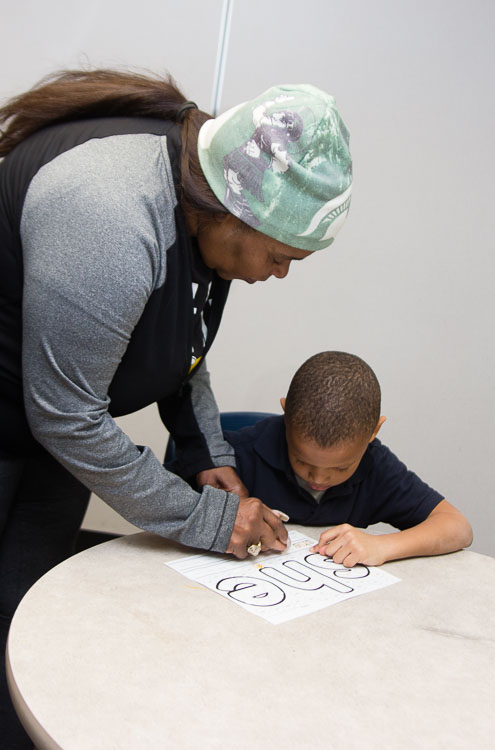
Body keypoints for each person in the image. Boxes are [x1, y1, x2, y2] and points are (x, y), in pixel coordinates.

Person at [0, 69, 352, 747]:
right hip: (33, 418)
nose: (279, 275)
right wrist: (205, 518)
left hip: (47, 434)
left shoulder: (200, 204)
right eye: (280, 257)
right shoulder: (111, 216)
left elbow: (178, 339)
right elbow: (67, 417)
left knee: (24, 623)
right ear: (234, 210)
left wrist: (204, 452)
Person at [220, 351, 473, 567]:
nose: (318, 478)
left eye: (341, 467)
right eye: (302, 461)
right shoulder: (235, 454)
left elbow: (457, 527)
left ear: (374, 431)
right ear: (286, 416)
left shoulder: (376, 467)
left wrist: (381, 546)